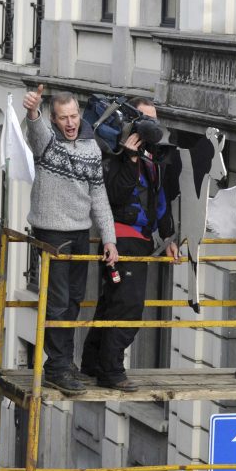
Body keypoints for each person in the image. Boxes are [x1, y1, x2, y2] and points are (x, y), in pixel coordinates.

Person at [79, 97, 180, 392]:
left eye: (154, 121)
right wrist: (129, 158)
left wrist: (168, 238)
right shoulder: (113, 156)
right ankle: (111, 370)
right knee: (127, 308)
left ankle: (92, 363)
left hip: (141, 242)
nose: (151, 127)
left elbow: (160, 202)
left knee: (113, 304)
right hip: (120, 241)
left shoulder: (155, 159)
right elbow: (114, 197)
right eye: (144, 120)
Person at [23, 85, 118, 396]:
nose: (70, 123)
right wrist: (33, 111)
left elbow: (99, 196)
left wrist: (109, 239)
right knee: (59, 298)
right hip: (51, 231)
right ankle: (58, 365)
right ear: (55, 119)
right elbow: (36, 136)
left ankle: (62, 362)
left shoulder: (92, 148)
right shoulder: (48, 143)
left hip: (79, 231)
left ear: (80, 115)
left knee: (75, 298)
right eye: (63, 118)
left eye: (74, 116)